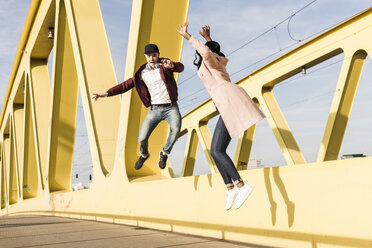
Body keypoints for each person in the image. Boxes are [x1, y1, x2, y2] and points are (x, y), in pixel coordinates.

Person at [176, 23, 265, 210]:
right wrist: (209, 39)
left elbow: (207, 53)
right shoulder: (218, 61)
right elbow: (213, 52)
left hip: (228, 101)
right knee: (215, 150)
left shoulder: (210, 59)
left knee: (216, 150)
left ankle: (241, 186)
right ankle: (230, 188)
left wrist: (188, 37)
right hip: (226, 102)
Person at [92, 44, 184, 170]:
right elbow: (125, 85)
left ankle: (164, 153)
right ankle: (144, 155)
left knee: (176, 129)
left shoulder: (165, 66)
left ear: (158, 55)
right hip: (154, 110)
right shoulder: (141, 74)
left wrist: (173, 65)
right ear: (145, 56)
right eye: (149, 56)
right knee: (142, 138)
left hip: (171, 107)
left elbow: (180, 67)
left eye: (154, 55)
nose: (152, 58)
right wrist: (107, 93)